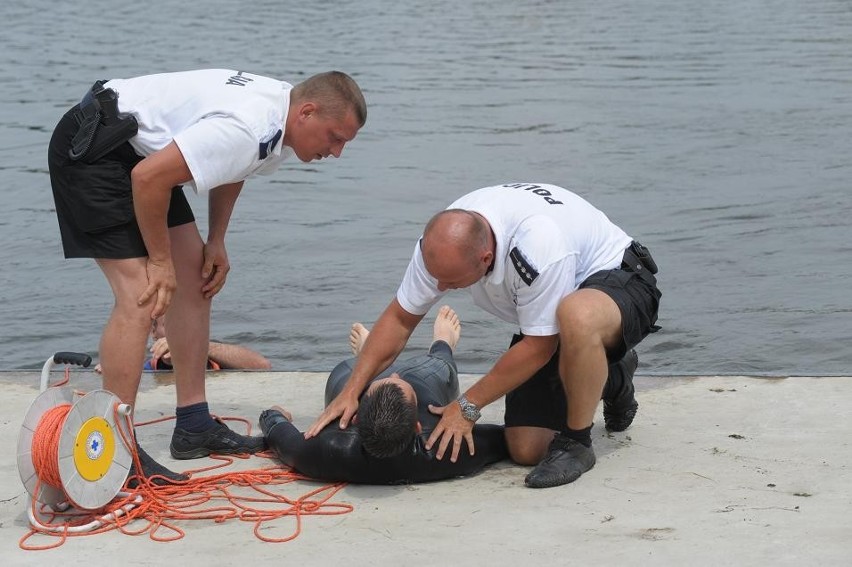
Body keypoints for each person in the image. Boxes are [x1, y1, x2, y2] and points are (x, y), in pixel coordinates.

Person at [48, 69, 366, 483]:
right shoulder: (250, 125)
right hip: (97, 149)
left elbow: (234, 166)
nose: (337, 152)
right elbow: (148, 180)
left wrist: (216, 239)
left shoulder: (277, 118)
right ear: (307, 112)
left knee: (197, 277)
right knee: (142, 294)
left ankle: (193, 425)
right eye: (335, 137)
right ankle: (115, 450)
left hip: (138, 153)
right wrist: (159, 262)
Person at [308, 182, 661, 489]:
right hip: (554, 318)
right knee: (526, 448)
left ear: (486, 257)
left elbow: (539, 346)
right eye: (436, 278)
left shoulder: (537, 246)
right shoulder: (442, 243)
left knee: (575, 315)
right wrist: (352, 390)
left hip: (618, 282)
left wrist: (467, 405)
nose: (441, 287)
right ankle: (612, 374)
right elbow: (401, 319)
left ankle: (578, 443)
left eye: (451, 282)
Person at [260, 306, 508, 484]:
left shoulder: (326, 450)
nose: (396, 376)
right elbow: (506, 438)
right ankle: (442, 342)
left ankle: (371, 357)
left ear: (354, 418)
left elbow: (278, 432)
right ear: (418, 427)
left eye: (389, 379)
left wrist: (274, 413)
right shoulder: (447, 451)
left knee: (349, 374)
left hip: (351, 375)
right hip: (422, 380)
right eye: (392, 379)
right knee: (440, 366)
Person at [93, 316, 271, 372]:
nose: (178, 331)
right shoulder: (147, 368)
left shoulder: (213, 356)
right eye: (170, 325)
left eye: (184, 324)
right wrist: (112, 370)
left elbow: (262, 366)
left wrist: (199, 345)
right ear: (154, 332)